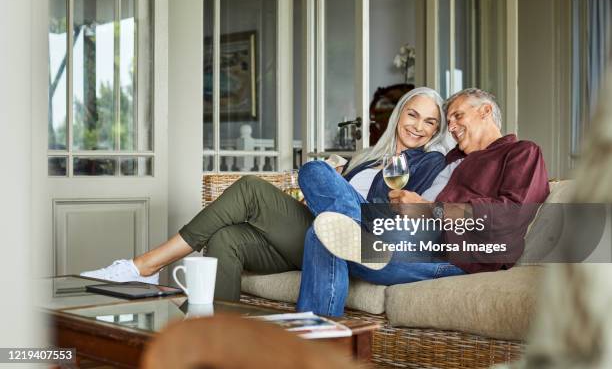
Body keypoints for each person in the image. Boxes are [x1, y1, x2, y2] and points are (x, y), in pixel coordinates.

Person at [81, 87, 448, 302]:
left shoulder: (429, 161)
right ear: (400, 115)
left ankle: (146, 265)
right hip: (318, 232)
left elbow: (403, 211)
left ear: (436, 130)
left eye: (429, 122)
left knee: (254, 188)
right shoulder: (367, 157)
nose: (418, 126)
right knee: (227, 238)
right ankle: (218, 337)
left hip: (359, 242)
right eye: (413, 115)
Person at [297, 88, 550, 316]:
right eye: (448, 121)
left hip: (449, 253)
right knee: (316, 179)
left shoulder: (521, 152)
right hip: (396, 231)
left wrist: (429, 211)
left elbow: (511, 215)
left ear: (485, 111)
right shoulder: (451, 158)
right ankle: (315, 350)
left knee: (324, 232)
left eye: (458, 116)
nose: (451, 126)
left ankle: (357, 236)